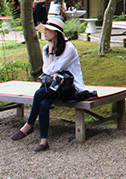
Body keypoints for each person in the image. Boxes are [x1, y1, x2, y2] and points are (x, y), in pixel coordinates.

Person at [11, 18, 88, 152]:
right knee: (44, 103)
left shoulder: (69, 48)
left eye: (48, 30)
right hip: (55, 87)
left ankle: (29, 125)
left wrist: (52, 58)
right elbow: (46, 70)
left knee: (40, 93)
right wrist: (51, 53)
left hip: (71, 88)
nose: (45, 33)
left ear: (56, 33)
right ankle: (43, 140)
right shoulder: (47, 47)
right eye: (44, 30)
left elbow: (52, 69)